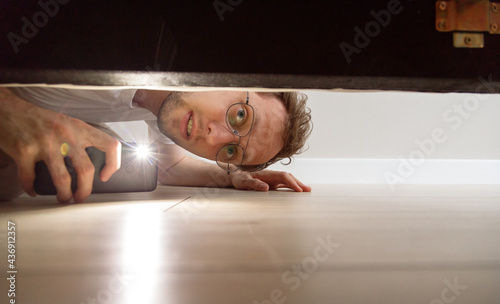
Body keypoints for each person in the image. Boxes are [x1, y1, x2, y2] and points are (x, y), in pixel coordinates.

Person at [0, 87, 313, 203]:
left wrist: (229, 176)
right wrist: (10, 109)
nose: (213, 137)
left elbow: (170, 165)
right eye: (240, 115)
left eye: (231, 151)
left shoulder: (158, 107)